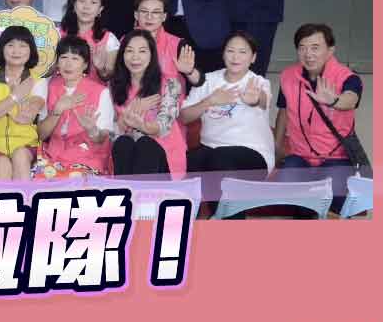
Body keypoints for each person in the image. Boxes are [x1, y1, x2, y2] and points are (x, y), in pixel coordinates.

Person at [273, 23, 364, 212]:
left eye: (315, 48)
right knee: (289, 197)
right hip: (300, 155)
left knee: (335, 199)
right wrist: (277, 145)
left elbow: (351, 99)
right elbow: (283, 111)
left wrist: (333, 101)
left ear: (330, 50)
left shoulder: (348, 77)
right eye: (302, 48)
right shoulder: (288, 76)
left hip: (336, 156)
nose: (308, 54)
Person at [181, 31, 275, 204]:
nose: (235, 57)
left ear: (253, 58)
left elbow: (263, 100)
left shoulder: (258, 82)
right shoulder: (208, 80)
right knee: (184, 162)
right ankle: (190, 218)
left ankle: (227, 217)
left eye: (242, 52)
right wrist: (209, 101)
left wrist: (255, 99)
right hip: (210, 150)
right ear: (223, 54)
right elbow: (184, 117)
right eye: (230, 51)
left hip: (253, 154)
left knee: (219, 159)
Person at [33, 36, 115, 179]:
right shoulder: (49, 86)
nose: (68, 64)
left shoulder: (102, 92)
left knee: (74, 181)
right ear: (57, 62)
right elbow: (41, 135)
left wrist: (92, 130)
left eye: (75, 59)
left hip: (87, 158)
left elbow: (102, 139)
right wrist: (57, 110)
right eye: (64, 57)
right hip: (52, 156)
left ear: (85, 64)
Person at [108, 30, 186, 179]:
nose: (135, 57)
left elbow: (163, 127)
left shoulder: (169, 83)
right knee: (123, 143)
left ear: (152, 54)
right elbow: (109, 133)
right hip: (127, 152)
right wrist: (126, 117)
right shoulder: (113, 85)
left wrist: (142, 125)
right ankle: (126, 191)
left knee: (146, 144)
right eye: (129, 51)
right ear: (122, 55)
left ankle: (142, 192)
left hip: (162, 151)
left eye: (142, 51)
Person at [0, 25, 45, 181]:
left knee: (20, 155)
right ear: (2, 48)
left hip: (27, 147)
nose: (16, 51)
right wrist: (14, 96)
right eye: (10, 45)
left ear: (31, 50)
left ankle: (24, 197)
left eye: (23, 46)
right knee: (3, 164)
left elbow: (29, 114)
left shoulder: (37, 81)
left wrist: (6, 109)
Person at [132, 0, 200, 89]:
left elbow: (199, 81)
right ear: (136, 15)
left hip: (170, 97)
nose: (149, 17)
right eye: (144, 11)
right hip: (134, 97)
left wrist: (190, 72)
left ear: (164, 17)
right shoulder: (125, 41)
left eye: (155, 12)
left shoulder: (177, 44)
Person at [59, 0, 120, 80]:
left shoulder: (109, 39)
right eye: (82, 1)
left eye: (93, 2)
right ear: (74, 4)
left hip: (93, 88)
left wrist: (100, 68)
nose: (86, 7)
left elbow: (108, 77)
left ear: (100, 9)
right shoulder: (58, 33)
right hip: (59, 87)